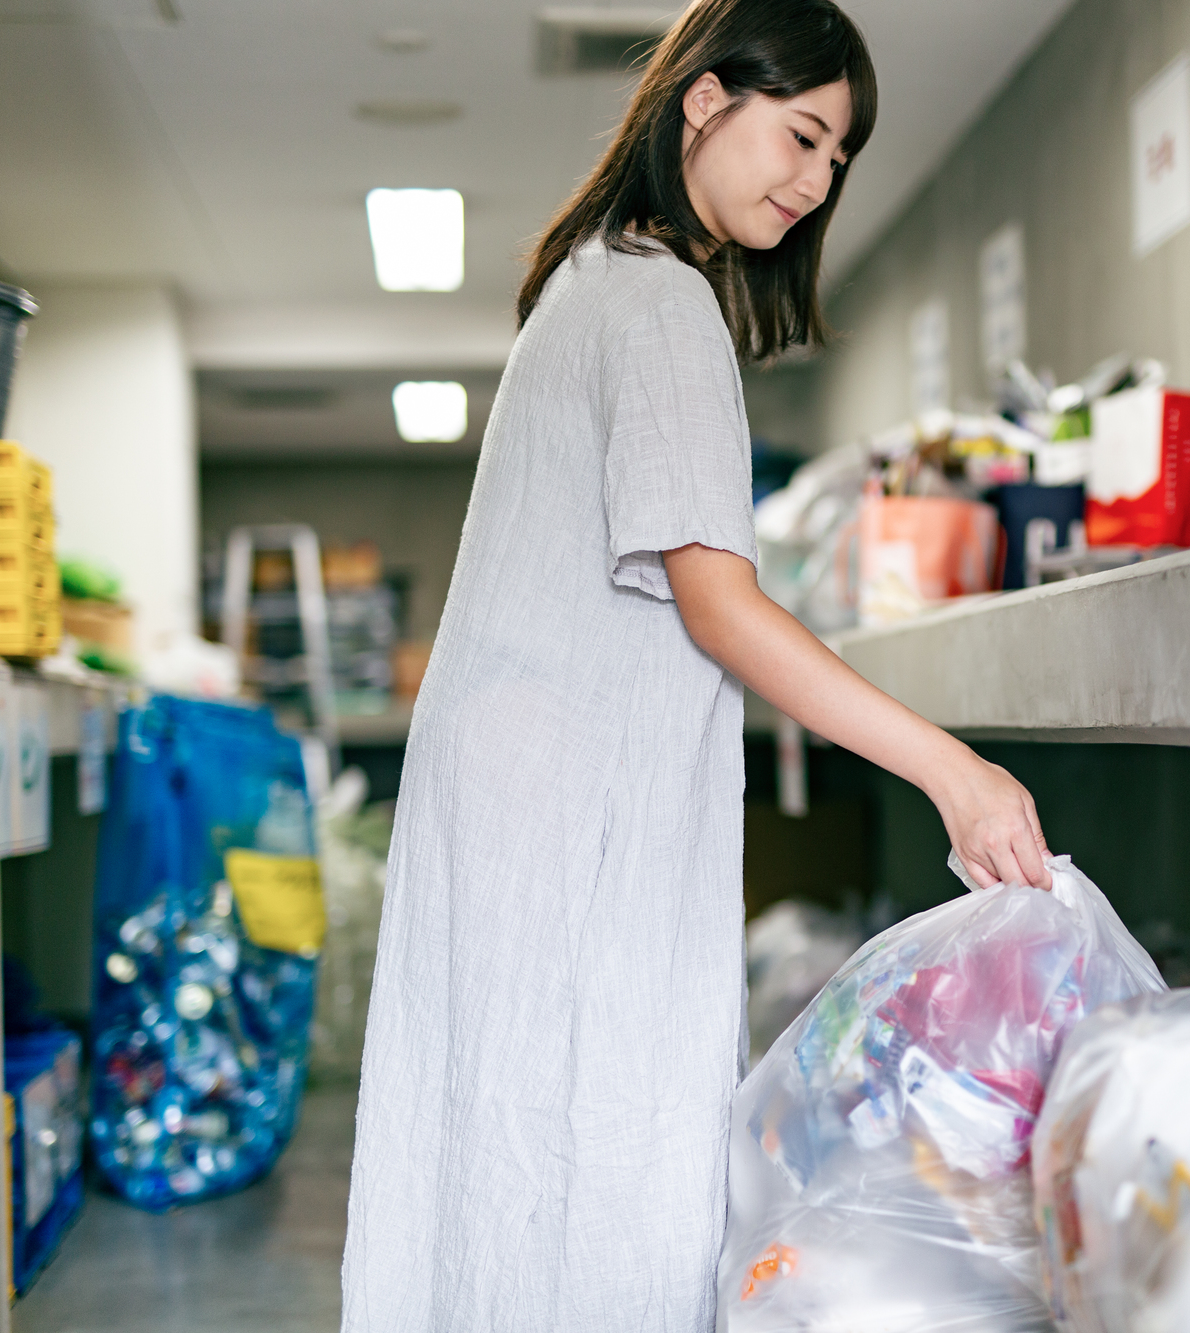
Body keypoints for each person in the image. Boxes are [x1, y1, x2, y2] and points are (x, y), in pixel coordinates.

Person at [340, 0, 1050, 1327]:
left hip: (524, 800)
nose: (814, 180)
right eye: (801, 134)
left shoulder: (594, 279)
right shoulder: (659, 300)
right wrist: (952, 771)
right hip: (563, 811)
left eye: (838, 158)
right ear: (704, 101)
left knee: (512, 1161)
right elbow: (720, 607)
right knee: (602, 1163)